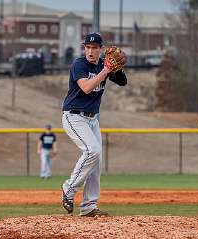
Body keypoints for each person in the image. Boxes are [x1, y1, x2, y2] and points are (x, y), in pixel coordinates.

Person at [61, 32, 127, 216]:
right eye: (87, 47)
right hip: (74, 116)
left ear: (100, 49)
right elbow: (87, 88)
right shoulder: (79, 65)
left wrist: (116, 68)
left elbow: (122, 82)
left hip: (92, 119)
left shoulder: (101, 64)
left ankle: (89, 206)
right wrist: (106, 70)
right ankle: (69, 188)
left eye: (94, 48)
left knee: (96, 161)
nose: (90, 51)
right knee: (93, 150)